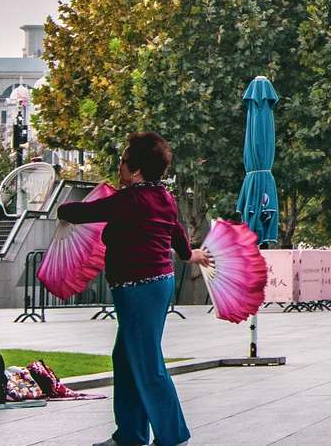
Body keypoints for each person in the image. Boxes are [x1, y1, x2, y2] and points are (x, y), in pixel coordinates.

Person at [57, 132, 210, 446]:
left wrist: (62, 210)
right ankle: (130, 434)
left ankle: (172, 436)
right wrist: (188, 255)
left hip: (139, 289)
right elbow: (177, 235)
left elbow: (85, 213)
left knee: (147, 362)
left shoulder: (131, 199)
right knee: (126, 359)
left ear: (137, 169)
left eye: (124, 161)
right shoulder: (163, 198)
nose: (120, 166)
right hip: (154, 285)